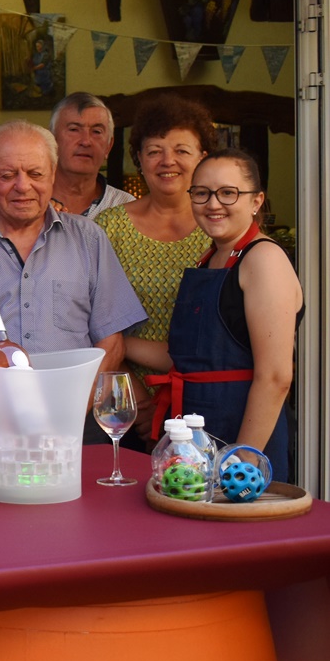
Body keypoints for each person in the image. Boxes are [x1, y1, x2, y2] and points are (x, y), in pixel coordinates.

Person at [0, 121, 145, 445]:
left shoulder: (89, 239)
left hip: (79, 423)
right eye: (7, 175)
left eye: (35, 174)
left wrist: (71, 413)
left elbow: (111, 342)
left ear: (53, 174)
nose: (23, 186)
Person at [128, 149, 301, 477]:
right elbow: (191, 357)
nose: (213, 204)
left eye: (228, 193)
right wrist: (111, 344)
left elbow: (276, 376)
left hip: (243, 434)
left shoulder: (264, 260)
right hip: (197, 434)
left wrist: (241, 462)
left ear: (256, 201)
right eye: (202, 193)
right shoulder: (210, 259)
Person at [93, 95, 215, 446]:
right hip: (124, 404)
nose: (168, 161)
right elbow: (91, 322)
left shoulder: (220, 227)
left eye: (181, 150)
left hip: (203, 401)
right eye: (154, 150)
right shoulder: (109, 228)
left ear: (203, 158)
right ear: (139, 160)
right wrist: (142, 402)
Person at [49, 92, 135, 218]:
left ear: (108, 146)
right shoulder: (28, 200)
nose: (86, 141)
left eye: (96, 131)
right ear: (52, 140)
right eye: (74, 130)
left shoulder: (126, 207)